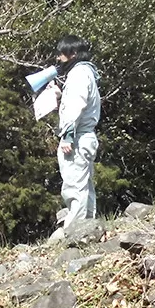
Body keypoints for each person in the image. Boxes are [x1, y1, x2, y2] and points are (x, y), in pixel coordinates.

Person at [50, 34, 101, 233]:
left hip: (77, 137)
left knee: (74, 187)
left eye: (61, 54)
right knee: (84, 186)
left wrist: (67, 136)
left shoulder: (78, 74)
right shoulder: (87, 73)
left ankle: (75, 234)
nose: (58, 59)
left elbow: (76, 107)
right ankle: (88, 229)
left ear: (72, 54)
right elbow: (78, 103)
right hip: (85, 135)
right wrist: (60, 95)